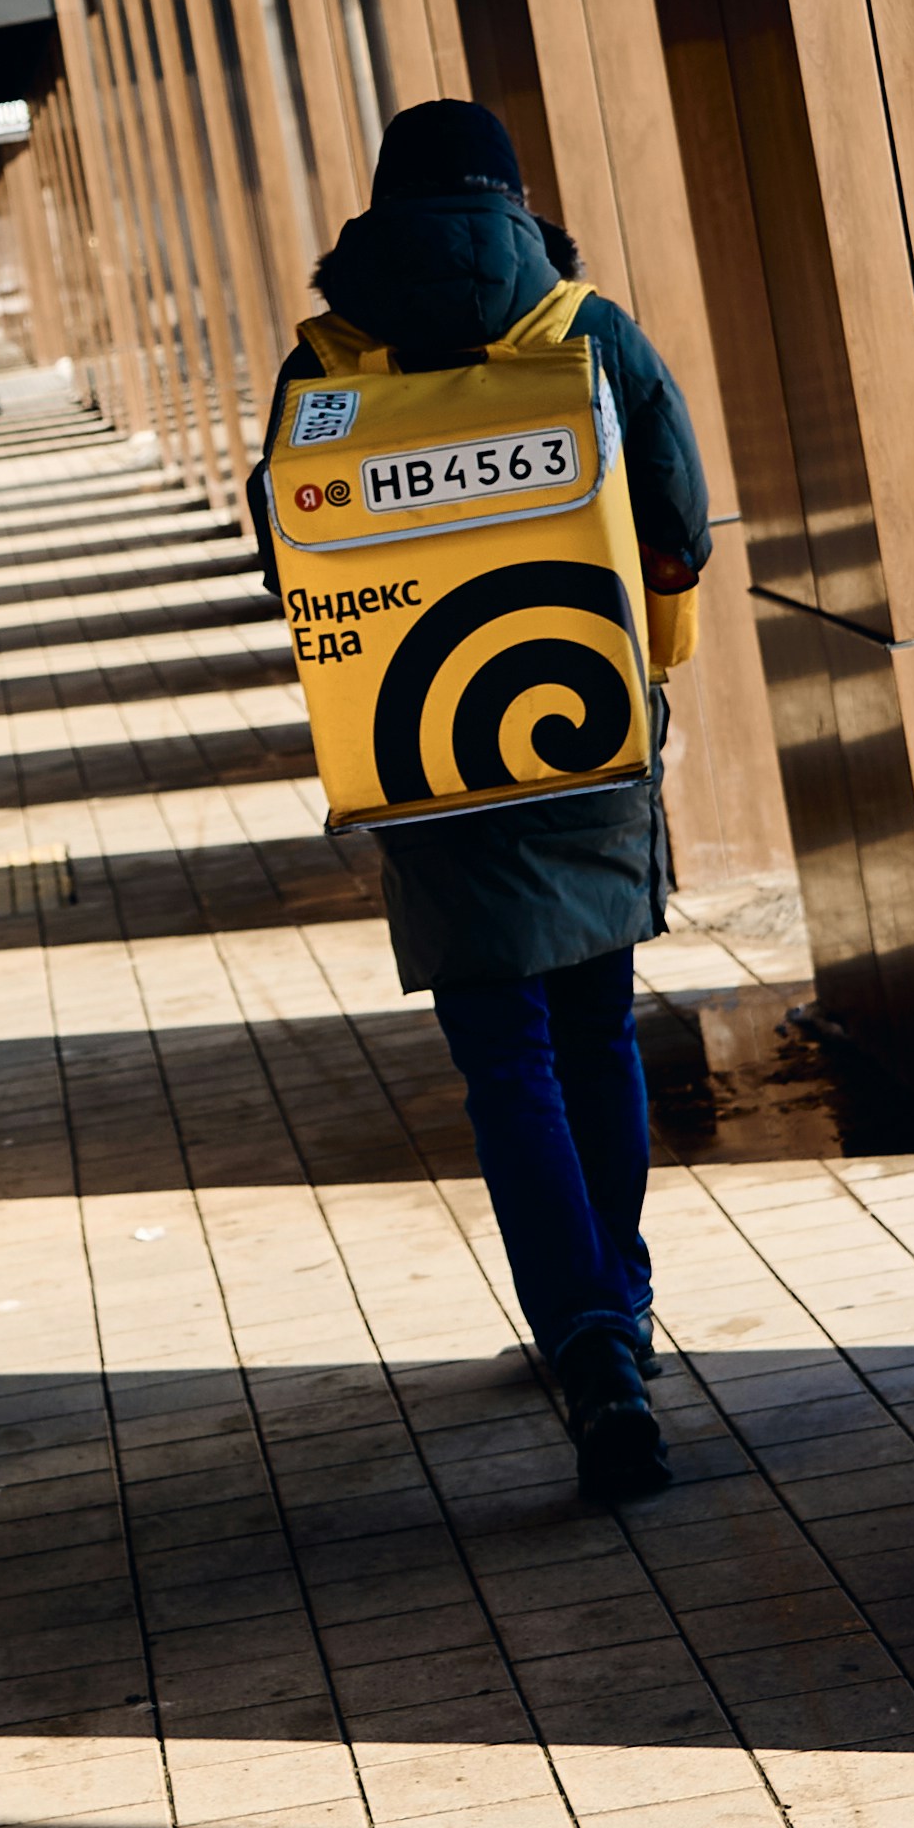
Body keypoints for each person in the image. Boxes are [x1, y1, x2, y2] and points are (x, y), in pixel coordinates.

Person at [252, 100, 712, 1506]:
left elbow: (293, 561)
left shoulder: (325, 361)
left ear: (382, 207)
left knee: (502, 1058)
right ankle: (615, 1314)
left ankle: (583, 1343)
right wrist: (644, 657)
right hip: (581, 725)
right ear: (515, 199)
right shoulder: (586, 329)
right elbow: (679, 537)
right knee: (593, 1030)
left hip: (423, 752)